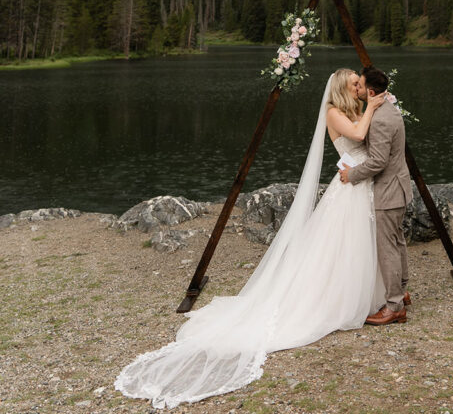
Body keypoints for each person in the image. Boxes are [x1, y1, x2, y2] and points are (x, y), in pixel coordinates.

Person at [115, 69, 386, 409]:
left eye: (361, 83)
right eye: (355, 84)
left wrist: (374, 107)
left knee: (354, 244)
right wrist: (375, 107)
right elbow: (360, 136)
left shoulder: (353, 110)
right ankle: (335, 300)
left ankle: (364, 292)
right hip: (348, 188)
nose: (360, 87)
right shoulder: (334, 111)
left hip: (359, 183)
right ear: (343, 89)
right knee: (339, 244)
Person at [340, 65, 413, 325]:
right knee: (397, 241)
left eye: (358, 85)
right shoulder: (387, 110)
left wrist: (352, 175)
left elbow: (378, 162)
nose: (355, 88)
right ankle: (402, 292)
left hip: (389, 190)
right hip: (399, 186)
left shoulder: (381, 119)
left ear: (370, 91)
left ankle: (394, 307)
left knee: (387, 248)